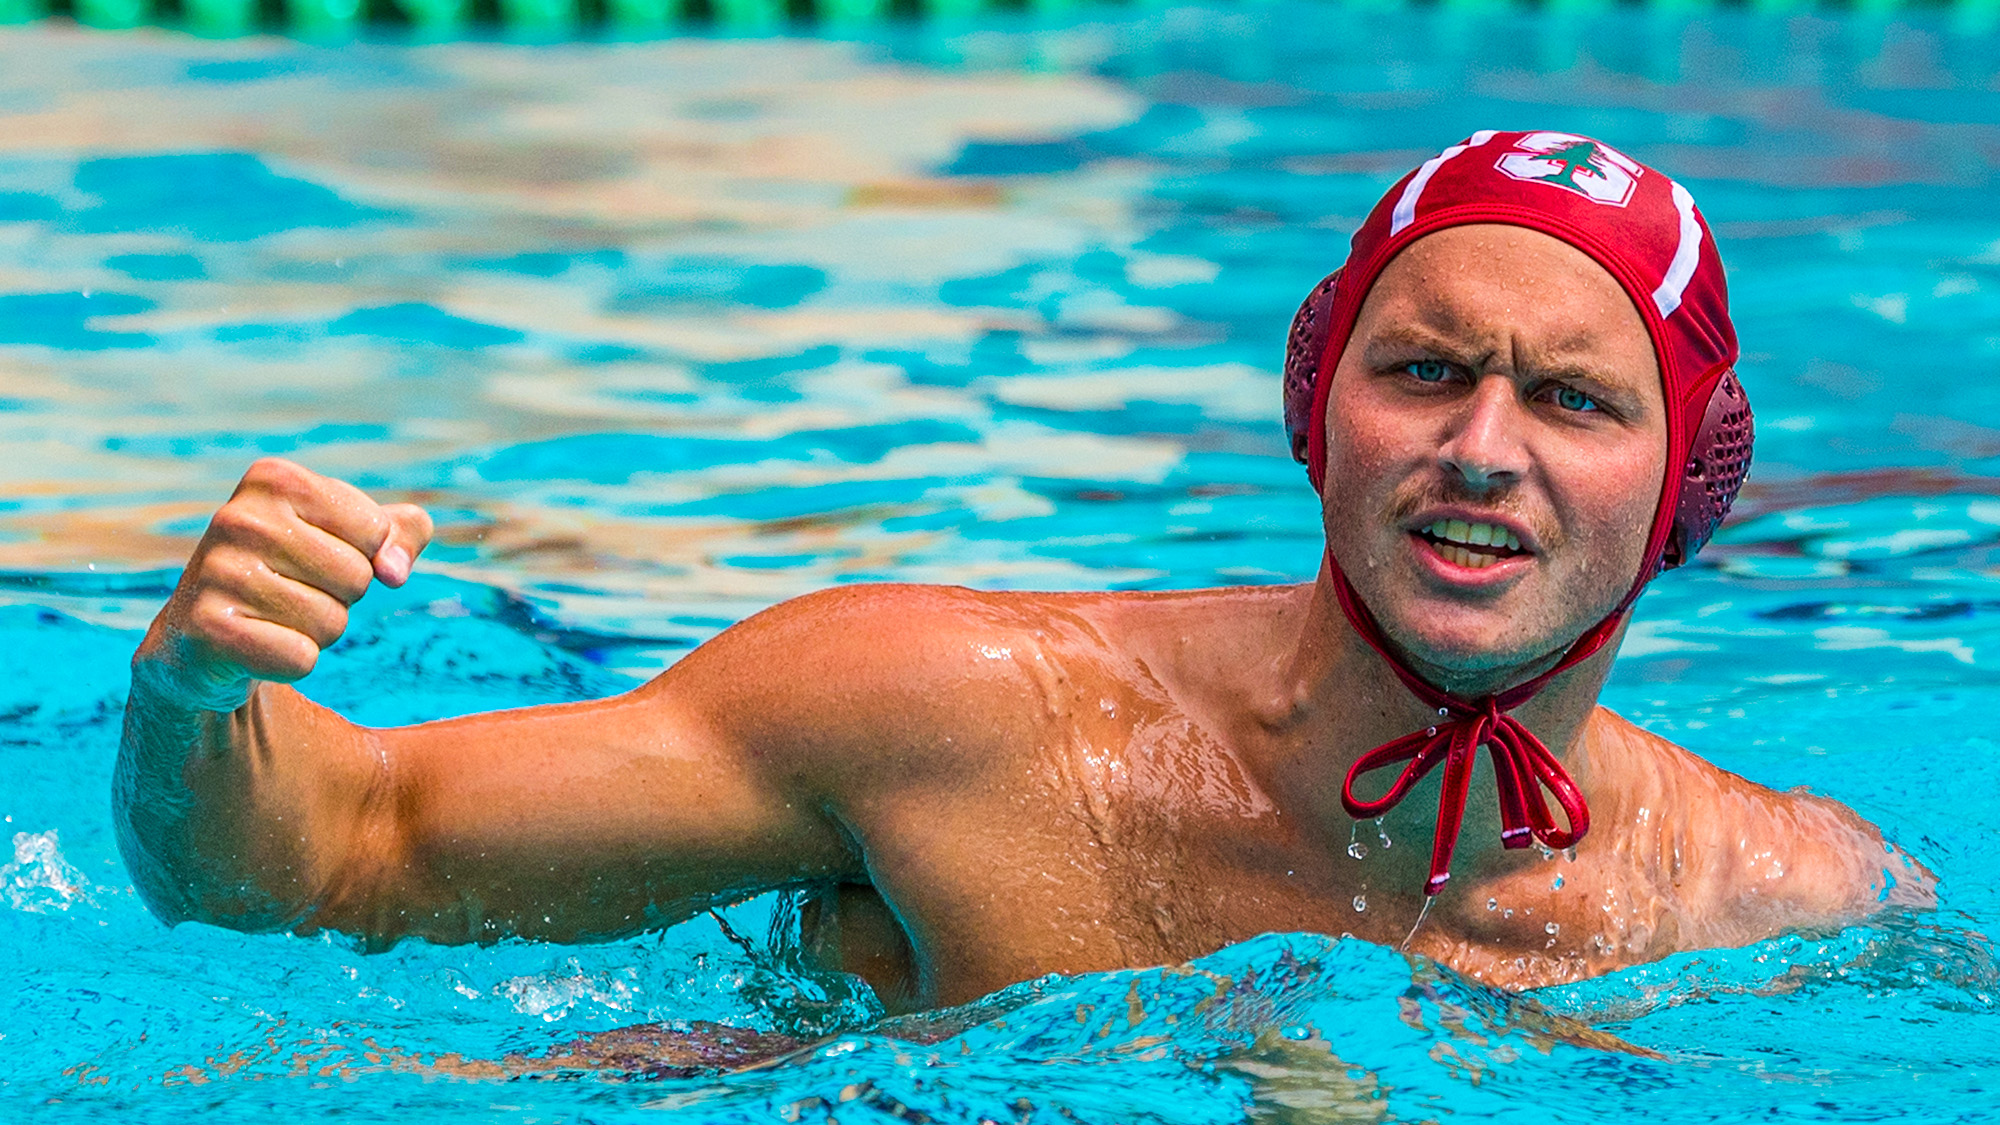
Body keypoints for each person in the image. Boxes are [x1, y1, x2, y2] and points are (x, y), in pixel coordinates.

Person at [114, 130, 1932, 1013]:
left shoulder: (1782, 895)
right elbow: (331, 850)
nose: (1482, 445)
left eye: (1573, 398)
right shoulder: (950, 721)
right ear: (1321, 406)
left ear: (1685, 484)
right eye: (1428, 367)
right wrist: (197, 699)